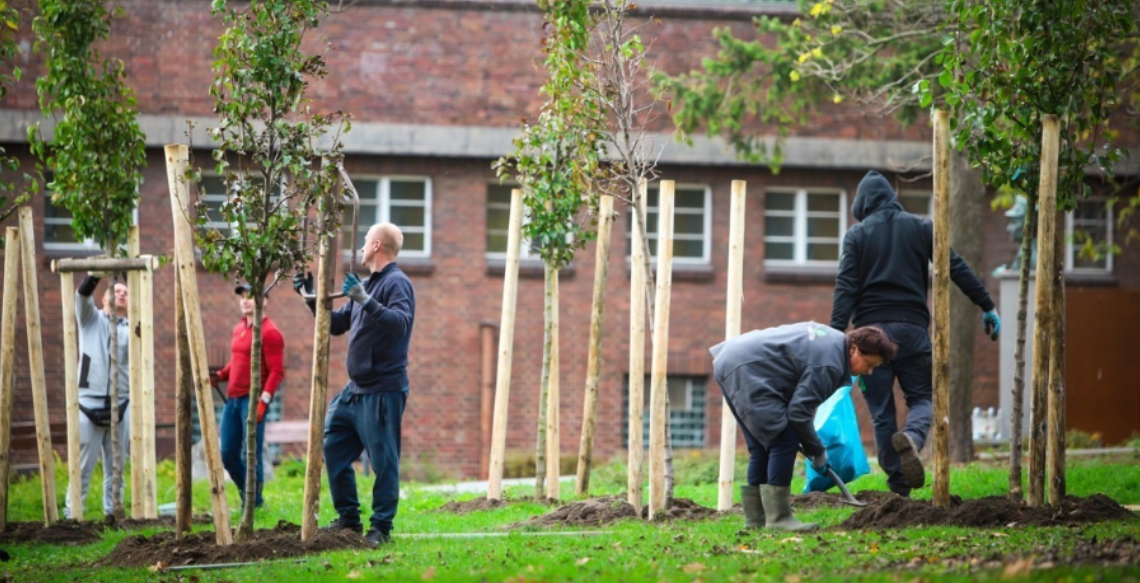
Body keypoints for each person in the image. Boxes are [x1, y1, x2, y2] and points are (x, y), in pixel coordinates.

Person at [830, 170, 1002, 497]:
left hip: (869, 338)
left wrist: (834, 334)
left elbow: (846, 288)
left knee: (882, 412)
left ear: (863, 205)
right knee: (923, 398)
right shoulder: (922, 227)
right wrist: (987, 304)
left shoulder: (857, 235)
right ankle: (913, 436)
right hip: (912, 332)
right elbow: (956, 266)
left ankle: (898, 489)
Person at [294, 222, 415, 546]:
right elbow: (336, 325)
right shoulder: (366, 284)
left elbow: (400, 325)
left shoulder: (397, 284)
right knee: (332, 447)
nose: (361, 247)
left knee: (383, 461)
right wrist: (308, 296)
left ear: (377, 245)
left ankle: (381, 529)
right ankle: (349, 519)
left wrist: (365, 300)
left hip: (383, 389)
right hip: (355, 390)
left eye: (364, 242)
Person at [711, 323, 897, 531]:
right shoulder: (830, 364)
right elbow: (799, 413)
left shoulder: (834, 342)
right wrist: (818, 450)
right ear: (853, 349)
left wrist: (811, 444)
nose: (869, 372)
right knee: (784, 441)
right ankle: (779, 519)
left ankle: (756, 520)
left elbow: (798, 404)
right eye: (869, 364)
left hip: (729, 359)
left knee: (761, 446)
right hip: (748, 368)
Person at [211, 284, 285, 509]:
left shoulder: (270, 332)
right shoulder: (239, 328)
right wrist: (221, 374)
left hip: (252, 402)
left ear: (264, 301)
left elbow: (277, 372)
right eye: (242, 297)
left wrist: (263, 401)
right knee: (228, 453)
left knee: (251, 454)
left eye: (250, 297)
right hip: (232, 401)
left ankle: (253, 503)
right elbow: (238, 361)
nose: (244, 301)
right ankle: (251, 496)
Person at [64, 275, 130, 519]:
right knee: (82, 465)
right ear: (103, 299)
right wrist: (94, 274)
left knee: (117, 468)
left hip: (121, 402)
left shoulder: (133, 329)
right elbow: (81, 296)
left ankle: (114, 514)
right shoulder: (90, 320)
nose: (121, 294)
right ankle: (73, 516)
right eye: (116, 290)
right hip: (89, 402)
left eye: (125, 292)